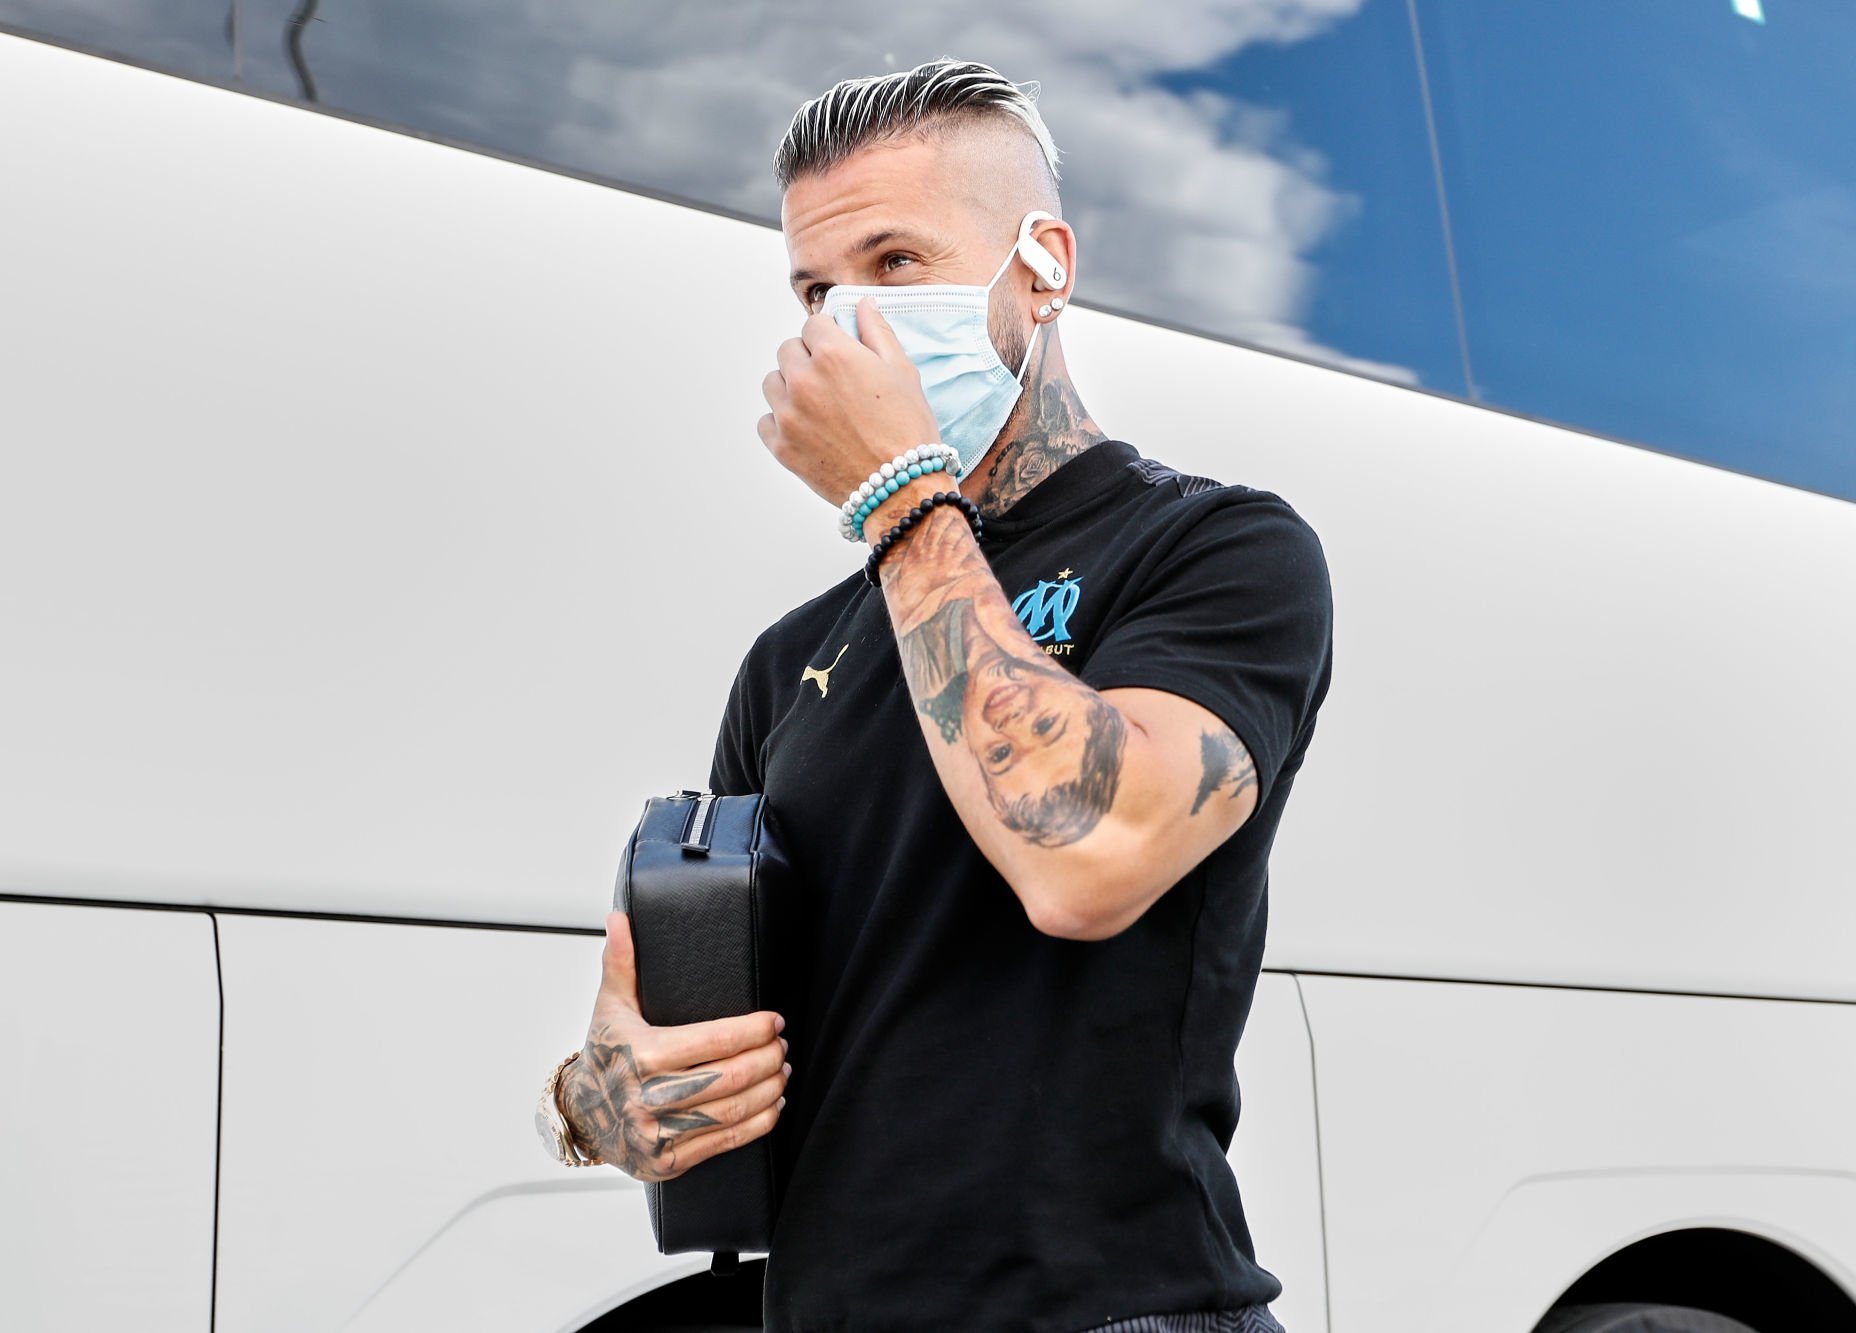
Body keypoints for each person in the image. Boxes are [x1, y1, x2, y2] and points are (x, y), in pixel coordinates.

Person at [552, 57, 1333, 1333]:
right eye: (815, 289)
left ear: (1041, 266)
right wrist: (601, 1100)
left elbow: (1087, 857)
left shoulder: (1214, 548)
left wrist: (903, 499)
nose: (846, 319)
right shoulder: (789, 659)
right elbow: (694, 1034)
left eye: (896, 261)